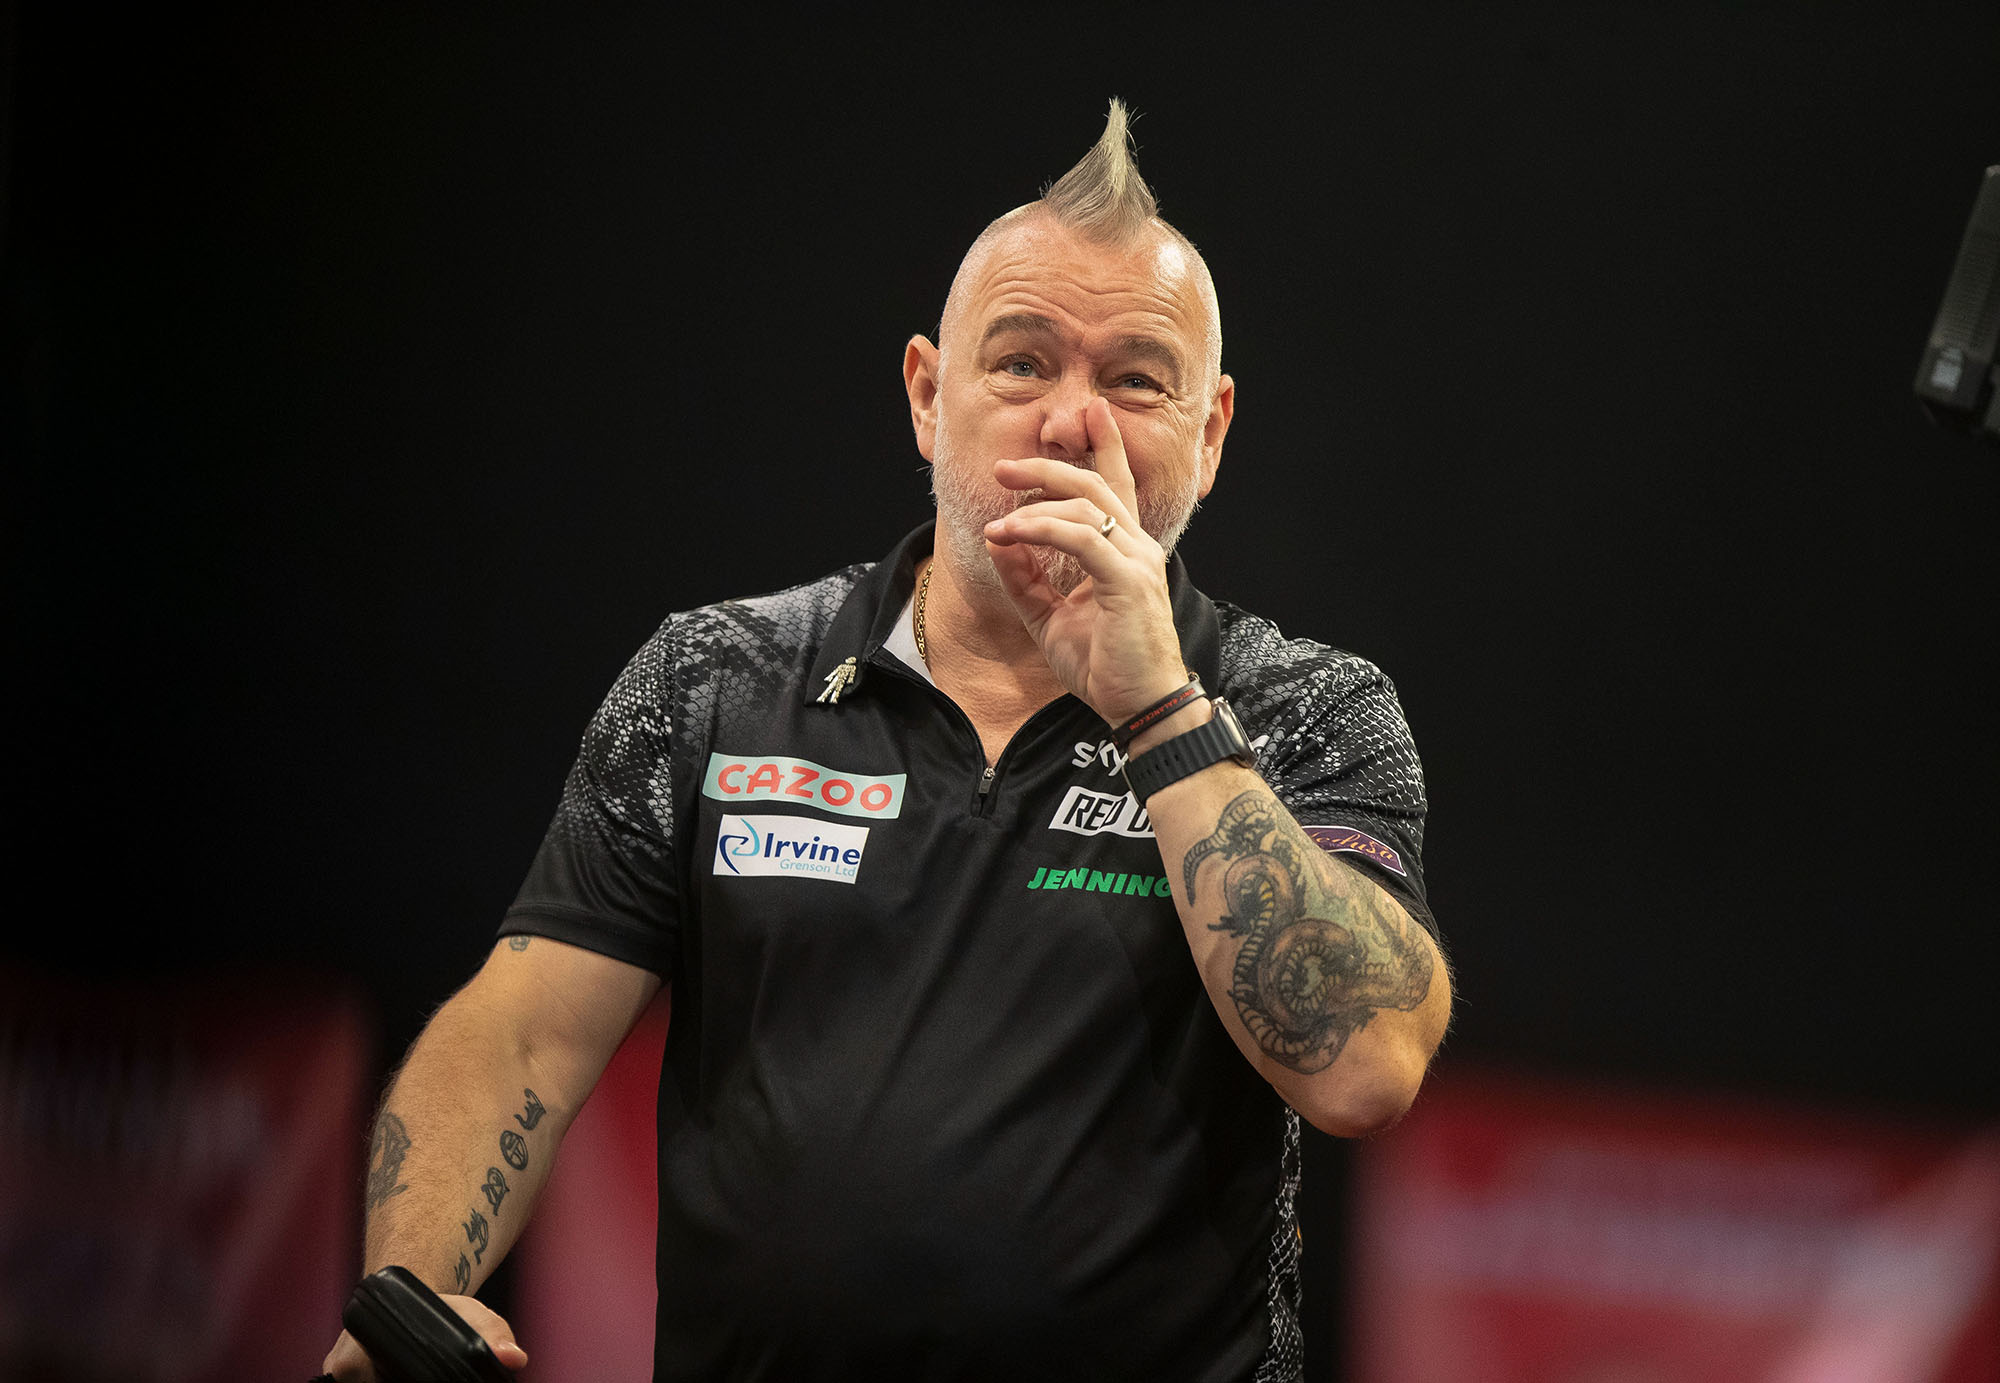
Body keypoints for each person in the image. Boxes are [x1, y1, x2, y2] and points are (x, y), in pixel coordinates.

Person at [323, 99, 1451, 1383]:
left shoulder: (1304, 706)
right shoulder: (713, 680)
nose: (1070, 422)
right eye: (1019, 363)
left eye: (1136, 379)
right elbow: (520, 1033)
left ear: (1209, 435)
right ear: (926, 396)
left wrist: (1158, 710)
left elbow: (1364, 1070)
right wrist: (407, 1288)